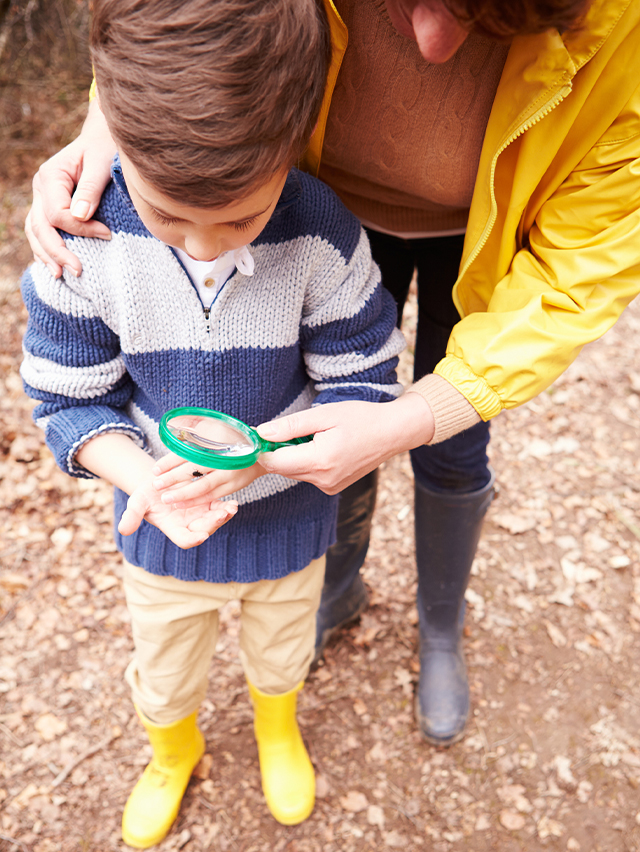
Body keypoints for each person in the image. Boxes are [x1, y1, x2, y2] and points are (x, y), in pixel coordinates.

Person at [25, 0, 640, 750]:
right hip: (292, 192)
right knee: (334, 437)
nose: (433, 42)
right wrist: (108, 124)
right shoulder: (170, 234)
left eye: (487, 19)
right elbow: (160, 29)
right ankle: (337, 589)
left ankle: (439, 624)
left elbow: (578, 276)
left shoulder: (623, 35)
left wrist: (416, 415)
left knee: (447, 444)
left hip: (483, 233)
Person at [20, 0, 406, 846]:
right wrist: (144, 479)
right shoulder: (84, 242)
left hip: (291, 521)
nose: (202, 247)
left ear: (293, 144)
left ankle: (277, 725)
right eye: (167, 217)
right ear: (113, 133)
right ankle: (172, 750)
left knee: (281, 649)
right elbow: (64, 395)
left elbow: (365, 390)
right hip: (159, 529)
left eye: (238, 218)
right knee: (164, 666)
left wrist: (263, 462)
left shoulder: (321, 232)